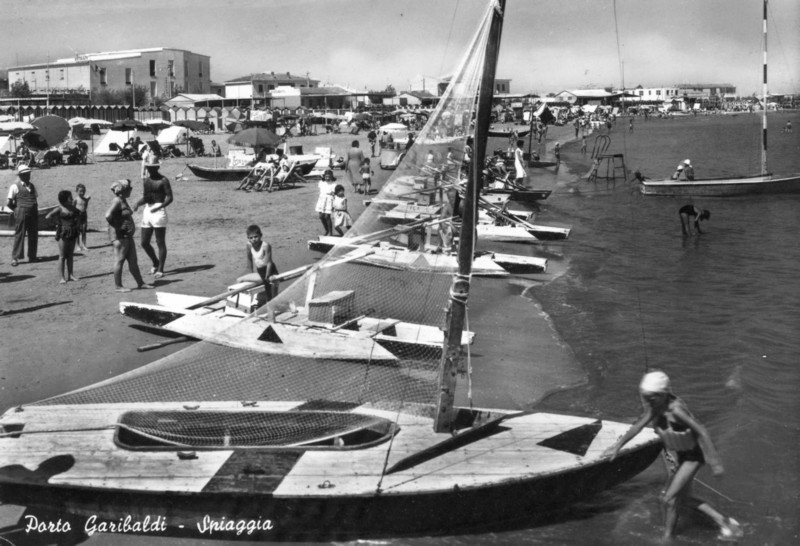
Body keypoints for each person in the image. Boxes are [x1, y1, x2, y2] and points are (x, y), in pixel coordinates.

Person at [603, 371, 743, 541]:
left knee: (668, 498)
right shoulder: (654, 407)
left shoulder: (676, 410)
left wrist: (715, 462)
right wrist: (617, 446)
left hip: (693, 458)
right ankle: (725, 522)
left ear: (663, 394)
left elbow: (702, 431)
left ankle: (668, 538)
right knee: (682, 501)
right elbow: (638, 426)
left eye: (651, 398)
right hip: (681, 457)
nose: (647, 402)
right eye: (645, 397)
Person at [105, 179, 153, 292]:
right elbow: (107, 215)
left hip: (126, 236)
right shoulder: (117, 201)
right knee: (120, 260)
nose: (131, 190)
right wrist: (118, 227)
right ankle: (118, 286)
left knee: (133, 260)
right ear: (122, 190)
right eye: (129, 188)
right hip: (119, 236)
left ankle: (140, 283)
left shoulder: (123, 200)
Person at [133, 156, 173, 279]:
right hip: (148, 210)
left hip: (159, 210)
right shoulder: (147, 181)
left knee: (160, 241)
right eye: (148, 168)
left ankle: (160, 268)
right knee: (144, 242)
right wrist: (137, 204)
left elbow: (170, 197)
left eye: (152, 168)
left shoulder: (164, 180)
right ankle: (156, 262)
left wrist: (159, 207)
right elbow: (146, 197)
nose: (150, 170)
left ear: (157, 167)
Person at [45, 190, 81, 284]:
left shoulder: (73, 208)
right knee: (62, 256)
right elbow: (48, 217)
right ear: (65, 199)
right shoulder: (59, 209)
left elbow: (79, 215)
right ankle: (61, 277)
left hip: (72, 232)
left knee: (70, 255)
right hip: (63, 233)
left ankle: (71, 275)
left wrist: (77, 225)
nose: (72, 199)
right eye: (70, 197)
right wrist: (57, 223)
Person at [238, 225, 279, 304]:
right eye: (251, 238)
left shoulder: (266, 246)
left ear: (261, 236)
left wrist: (267, 277)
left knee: (273, 300)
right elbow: (249, 260)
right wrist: (250, 276)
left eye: (256, 237)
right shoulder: (249, 245)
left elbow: (269, 262)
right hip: (260, 273)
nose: (254, 239)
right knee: (239, 280)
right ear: (248, 238)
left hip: (270, 272)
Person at [7, 164, 39, 266]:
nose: (27, 176)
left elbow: (35, 198)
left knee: (33, 234)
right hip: (21, 212)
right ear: (20, 176)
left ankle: (32, 256)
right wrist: (16, 210)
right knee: (20, 234)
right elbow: (9, 203)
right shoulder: (15, 186)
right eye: (25, 174)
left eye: (28, 174)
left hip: (33, 212)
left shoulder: (32, 186)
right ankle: (15, 258)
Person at [315, 169, 336, 236]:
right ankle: (326, 229)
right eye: (326, 176)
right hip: (321, 200)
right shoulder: (321, 183)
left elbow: (334, 194)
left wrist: (334, 203)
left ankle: (330, 233)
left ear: (331, 176)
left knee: (327, 216)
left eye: (329, 176)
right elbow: (321, 190)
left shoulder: (334, 184)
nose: (327, 178)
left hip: (329, 200)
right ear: (324, 176)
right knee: (321, 216)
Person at [74, 183, 91, 252]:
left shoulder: (85, 199)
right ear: (77, 191)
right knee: (77, 231)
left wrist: (88, 199)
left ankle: (84, 245)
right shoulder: (76, 199)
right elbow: (73, 207)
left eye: (83, 191)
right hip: (77, 216)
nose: (82, 193)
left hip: (84, 215)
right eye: (80, 191)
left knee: (84, 230)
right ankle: (78, 245)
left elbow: (85, 206)